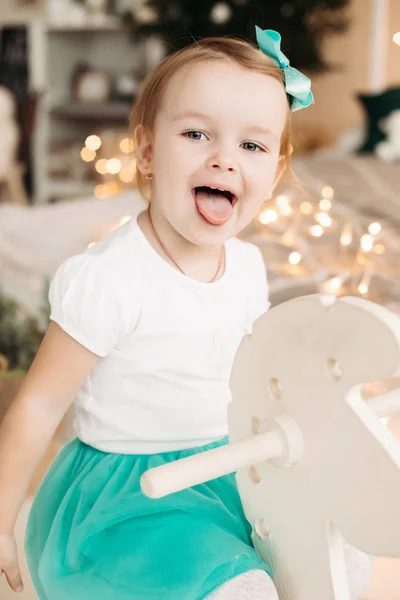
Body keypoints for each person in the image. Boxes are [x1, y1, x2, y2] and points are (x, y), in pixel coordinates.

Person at [0, 27, 371, 600]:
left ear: (272, 174)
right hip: (132, 497)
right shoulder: (111, 278)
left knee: (340, 550)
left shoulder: (247, 266)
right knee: (239, 587)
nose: (224, 159)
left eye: (252, 146)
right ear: (146, 151)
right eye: (197, 133)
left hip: (227, 466)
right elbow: (39, 404)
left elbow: (257, 374)